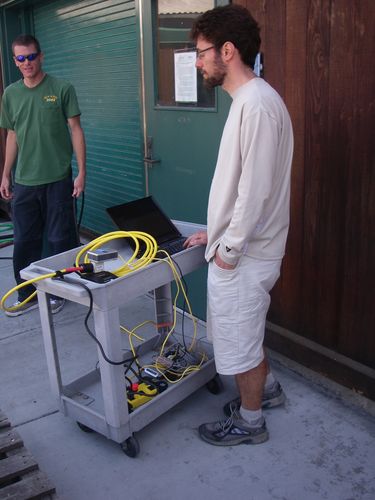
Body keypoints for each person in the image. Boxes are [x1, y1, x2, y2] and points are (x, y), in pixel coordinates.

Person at [184, 5, 293, 446]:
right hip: (242, 247)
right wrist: (219, 231)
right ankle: (266, 393)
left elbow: (257, 191)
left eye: (201, 52)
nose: (197, 61)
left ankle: (250, 422)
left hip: (246, 257)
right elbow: (246, 186)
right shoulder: (250, 102)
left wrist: (229, 250)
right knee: (247, 331)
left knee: (242, 341)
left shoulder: (258, 105)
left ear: (227, 51)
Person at [0, 34, 86, 317]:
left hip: (58, 179)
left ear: (41, 56)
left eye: (31, 56)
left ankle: (61, 291)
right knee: (25, 241)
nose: (27, 63)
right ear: (15, 61)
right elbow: (12, 135)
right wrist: (5, 174)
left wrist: (81, 172)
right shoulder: (11, 94)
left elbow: (75, 129)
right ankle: (27, 294)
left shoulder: (61, 88)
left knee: (60, 239)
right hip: (25, 181)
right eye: (21, 58)